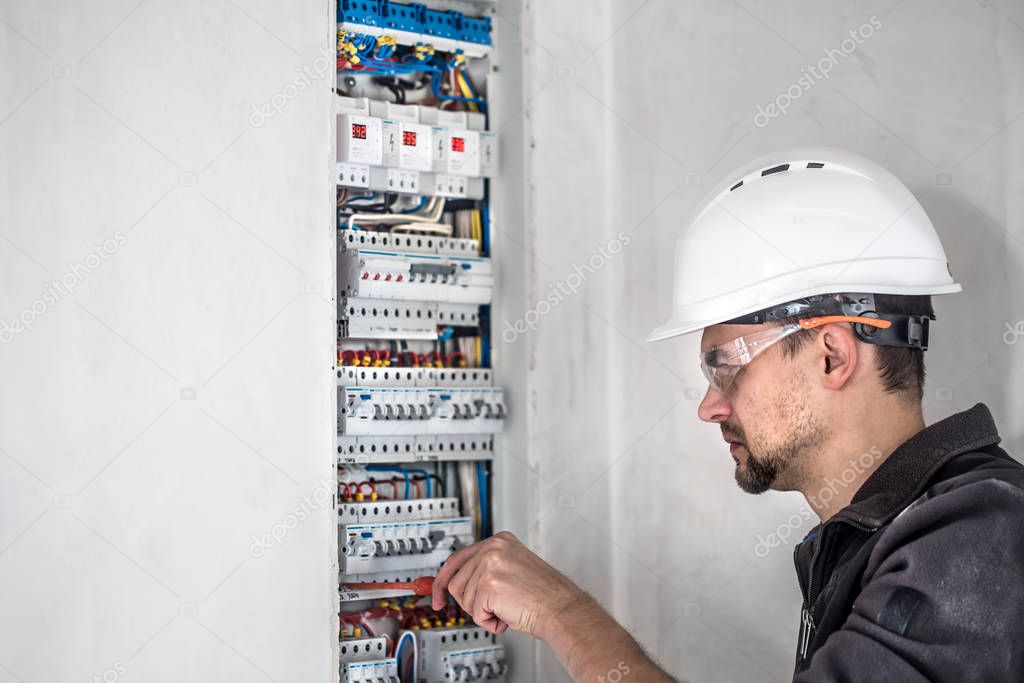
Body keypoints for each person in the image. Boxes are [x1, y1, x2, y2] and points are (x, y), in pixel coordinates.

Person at [430, 148, 1024, 681]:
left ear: (832, 355)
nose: (711, 406)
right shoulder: (884, 539)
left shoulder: (976, 537)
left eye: (727, 367)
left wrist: (562, 613)